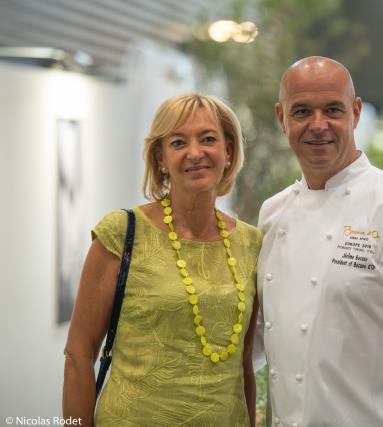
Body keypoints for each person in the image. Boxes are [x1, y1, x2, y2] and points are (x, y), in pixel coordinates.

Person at [255, 57, 383, 427]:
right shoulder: (273, 214)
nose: (318, 125)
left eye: (332, 110)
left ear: (355, 113)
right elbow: (266, 340)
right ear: (282, 118)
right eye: (301, 111)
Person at [63, 92, 261, 426]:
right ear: (160, 158)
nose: (195, 153)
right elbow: (78, 357)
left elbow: (243, 367)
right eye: (179, 142)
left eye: (208, 139)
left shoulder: (251, 243)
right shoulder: (121, 233)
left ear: (228, 151)